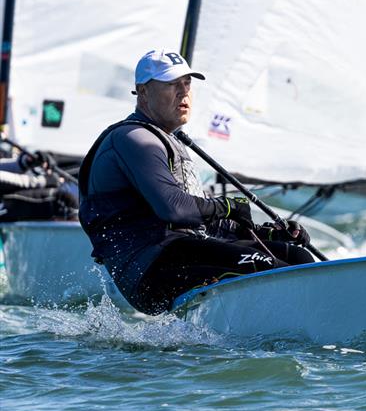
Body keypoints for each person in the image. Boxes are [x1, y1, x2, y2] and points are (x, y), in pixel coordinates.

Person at [79, 49, 314, 315]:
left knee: (296, 258)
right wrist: (227, 206)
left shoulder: (169, 140)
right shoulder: (133, 139)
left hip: (183, 252)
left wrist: (266, 233)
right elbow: (174, 209)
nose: (183, 92)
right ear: (143, 92)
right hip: (150, 269)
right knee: (274, 269)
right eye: (171, 84)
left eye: (187, 83)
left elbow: (202, 218)